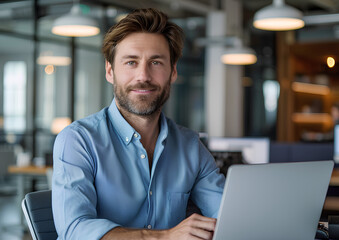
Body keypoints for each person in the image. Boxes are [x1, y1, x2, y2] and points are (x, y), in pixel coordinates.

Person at [52, 8, 225, 240]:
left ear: (173, 72)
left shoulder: (190, 146)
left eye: (156, 62)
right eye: (131, 62)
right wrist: (164, 237)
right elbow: (74, 231)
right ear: (110, 71)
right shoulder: (78, 140)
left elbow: (227, 215)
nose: (143, 76)